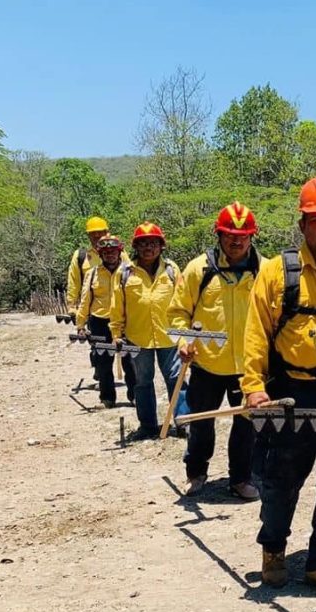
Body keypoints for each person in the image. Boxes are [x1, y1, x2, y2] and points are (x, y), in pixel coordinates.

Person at [242, 177, 316, 596]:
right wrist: (254, 387)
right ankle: (273, 550)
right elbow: (254, 334)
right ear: (303, 225)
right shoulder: (277, 272)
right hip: (290, 392)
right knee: (280, 479)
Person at [168, 202, 263, 500]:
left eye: (243, 235)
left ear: (252, 236)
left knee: (247, 425)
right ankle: (195, 473)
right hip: (206, 363)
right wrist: (184, 343)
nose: (237, 241)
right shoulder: (199, 269)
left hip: (248, 366)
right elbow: (177, 313)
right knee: (201, 422)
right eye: (230, 235)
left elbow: (275, 315)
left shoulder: (265, 270)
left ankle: (241, 479)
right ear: (218, 235)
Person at [110, 222, 187, 441]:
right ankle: (148, 426)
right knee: (142, 382)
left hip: (170, 336)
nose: (148, 248)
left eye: (153, 243)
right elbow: (117, 306)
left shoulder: (172, 270)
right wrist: (116, 333)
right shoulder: (124, 273)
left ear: (161, 246)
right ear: (136, 247)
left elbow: (182, 301)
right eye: (143, 244)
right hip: (138, 337)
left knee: (176, 379)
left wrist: (185, 332)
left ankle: (184, 421)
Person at [75, 234, 137, 408]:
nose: (110, 255)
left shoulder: (130, 271)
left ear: (120, 252)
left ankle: (135, 396)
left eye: (113, 251)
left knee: (130, 361)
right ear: (100, 254)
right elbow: (85, 300)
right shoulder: (92, 273)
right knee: (102, 362)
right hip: (99, 322)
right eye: (106, 252)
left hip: (125, 322)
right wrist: (80, 325)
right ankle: (107, 398)